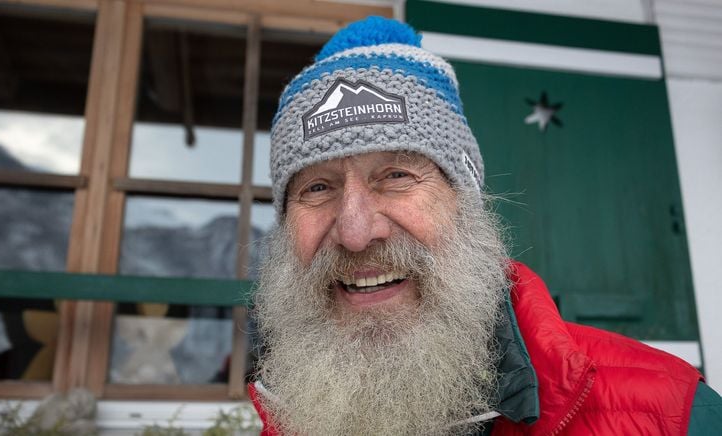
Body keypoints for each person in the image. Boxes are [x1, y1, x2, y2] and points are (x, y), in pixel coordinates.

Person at [248, 16, 722, 435]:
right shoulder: (290, 420)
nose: (354, 231)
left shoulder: (673, 415)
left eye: (396, 176)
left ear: (465, 200)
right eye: (317, 188)